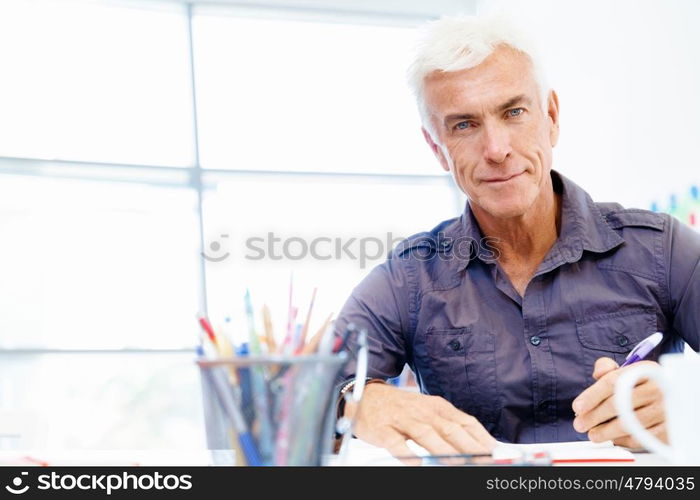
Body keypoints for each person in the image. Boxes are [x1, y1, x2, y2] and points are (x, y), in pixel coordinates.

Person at [333, 14, 700, 461]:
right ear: (436, 148)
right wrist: (357, 402)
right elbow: (294, 397)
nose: (497, 149)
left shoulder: (663, 250)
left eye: (514, 112)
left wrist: (686, 405)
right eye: (464, 125)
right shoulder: (409, 277)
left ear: (551, 117)